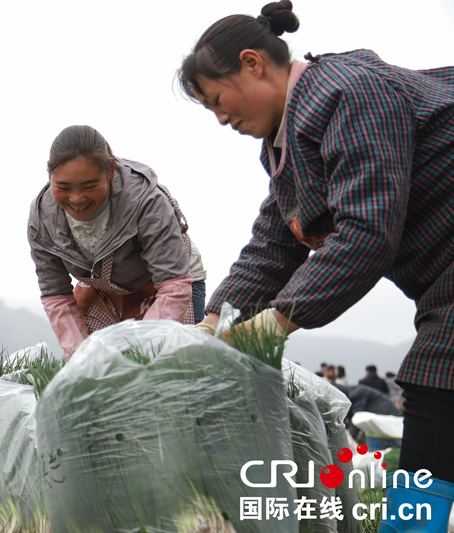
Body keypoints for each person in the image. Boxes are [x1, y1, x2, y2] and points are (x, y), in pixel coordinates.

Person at [179, 1, 454, 529]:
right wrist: (213, 323)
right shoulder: (287, 150)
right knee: (437, 382)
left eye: (218, 99)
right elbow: (272, 249)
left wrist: (276, 321)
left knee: (435, 381)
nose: (221, 118)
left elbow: (367, 232)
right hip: (441, 284)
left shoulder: (348, 92)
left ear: (253, 63)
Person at [29, 125, 195, 360]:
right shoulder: (42, 219)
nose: (76, 199)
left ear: (110, 170)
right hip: (104, 288)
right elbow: (56, 296)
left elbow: (174, 286)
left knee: (169, 366)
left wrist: (142, 354)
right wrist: (81, 360)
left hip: (169, 286)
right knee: (98, 366)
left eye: (89, 186)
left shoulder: (145, 202)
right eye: (63, 187)